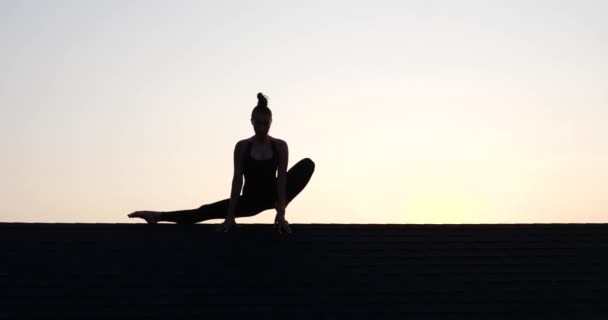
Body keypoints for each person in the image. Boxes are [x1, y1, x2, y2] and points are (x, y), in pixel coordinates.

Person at [127, 93, 315, 234]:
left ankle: (279, 204)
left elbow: (282, 178)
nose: (263, 128)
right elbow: (237, 180)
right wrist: (230, 215)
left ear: (271, 121)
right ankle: (157, 215)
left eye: (266, 124)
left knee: (307, 164)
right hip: (250, 201)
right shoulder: (242, 147)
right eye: (259, 123)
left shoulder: (280, 146)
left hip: (274, 195)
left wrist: (281, 212)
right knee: (204, 211)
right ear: (252, 121)